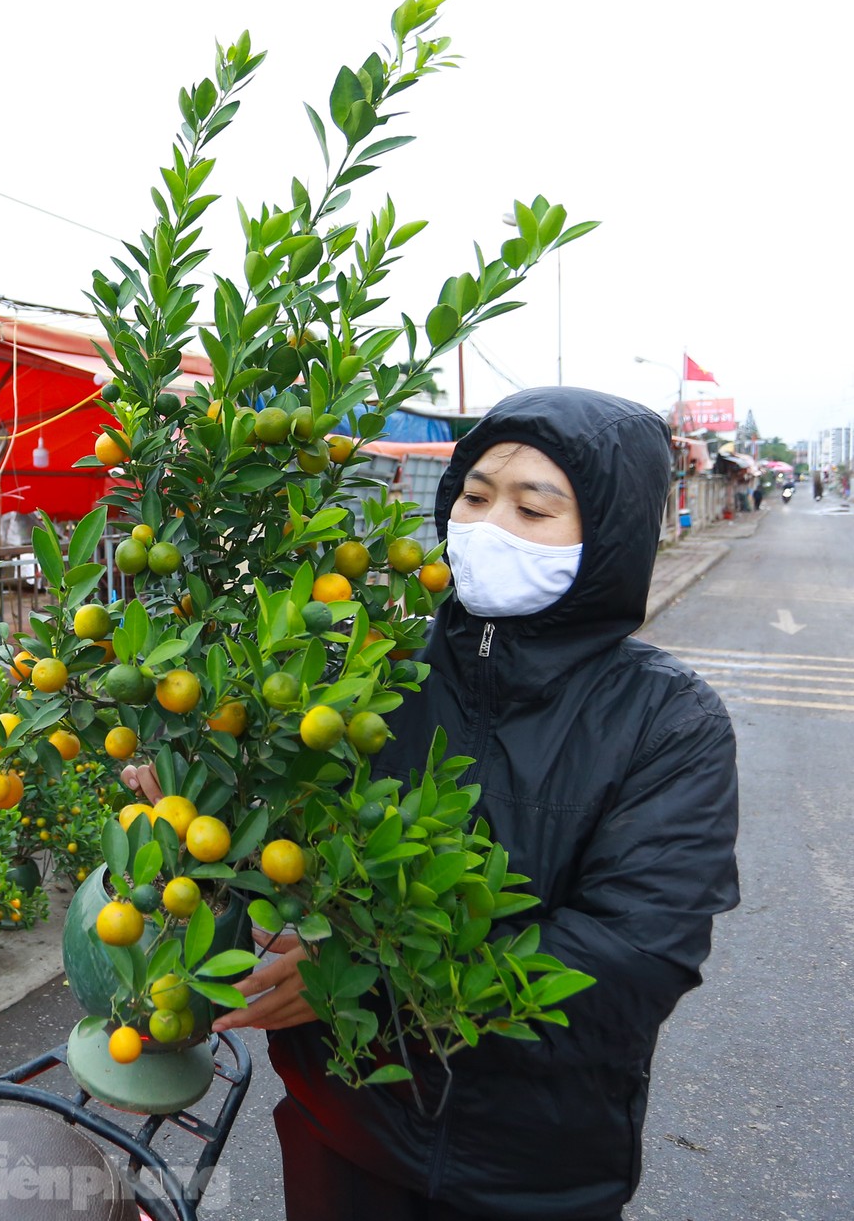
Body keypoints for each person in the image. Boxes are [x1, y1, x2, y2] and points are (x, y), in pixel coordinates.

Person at [125, 386, 740, 1221]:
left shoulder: (666, 720)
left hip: (533, 1169)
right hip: (344, 1133)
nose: (490, 527)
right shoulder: (367, 671)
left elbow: (637, 954)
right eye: (476, 497)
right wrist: (207, 831)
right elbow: (292, 861)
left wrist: (367, 971)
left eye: (533, 507)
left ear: (608, 537)